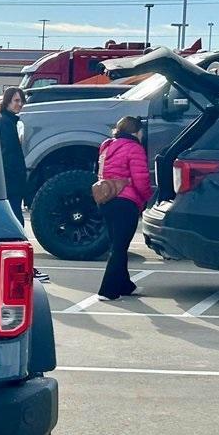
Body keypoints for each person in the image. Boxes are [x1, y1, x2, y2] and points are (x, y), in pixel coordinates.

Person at [0, 87, 50, 283]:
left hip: (13, 183)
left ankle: (24, 268)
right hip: (10, 183)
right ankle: (27, 268)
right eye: (16, 100)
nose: (19, 104)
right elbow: (6, 156)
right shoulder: (4, 124)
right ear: (7, 101)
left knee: (15, 225)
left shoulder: (9, 123)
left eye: (21, 101)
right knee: (16, 225)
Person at [97, 115, 152, 300]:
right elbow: (141, 179)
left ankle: (125, 285)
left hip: (107, 200)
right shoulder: (134, 148)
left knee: (117, 243)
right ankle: (108, 290)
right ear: (136, 131)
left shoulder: (107, 146)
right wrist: (147, 198)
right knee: (120, 247)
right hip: (126, 202)